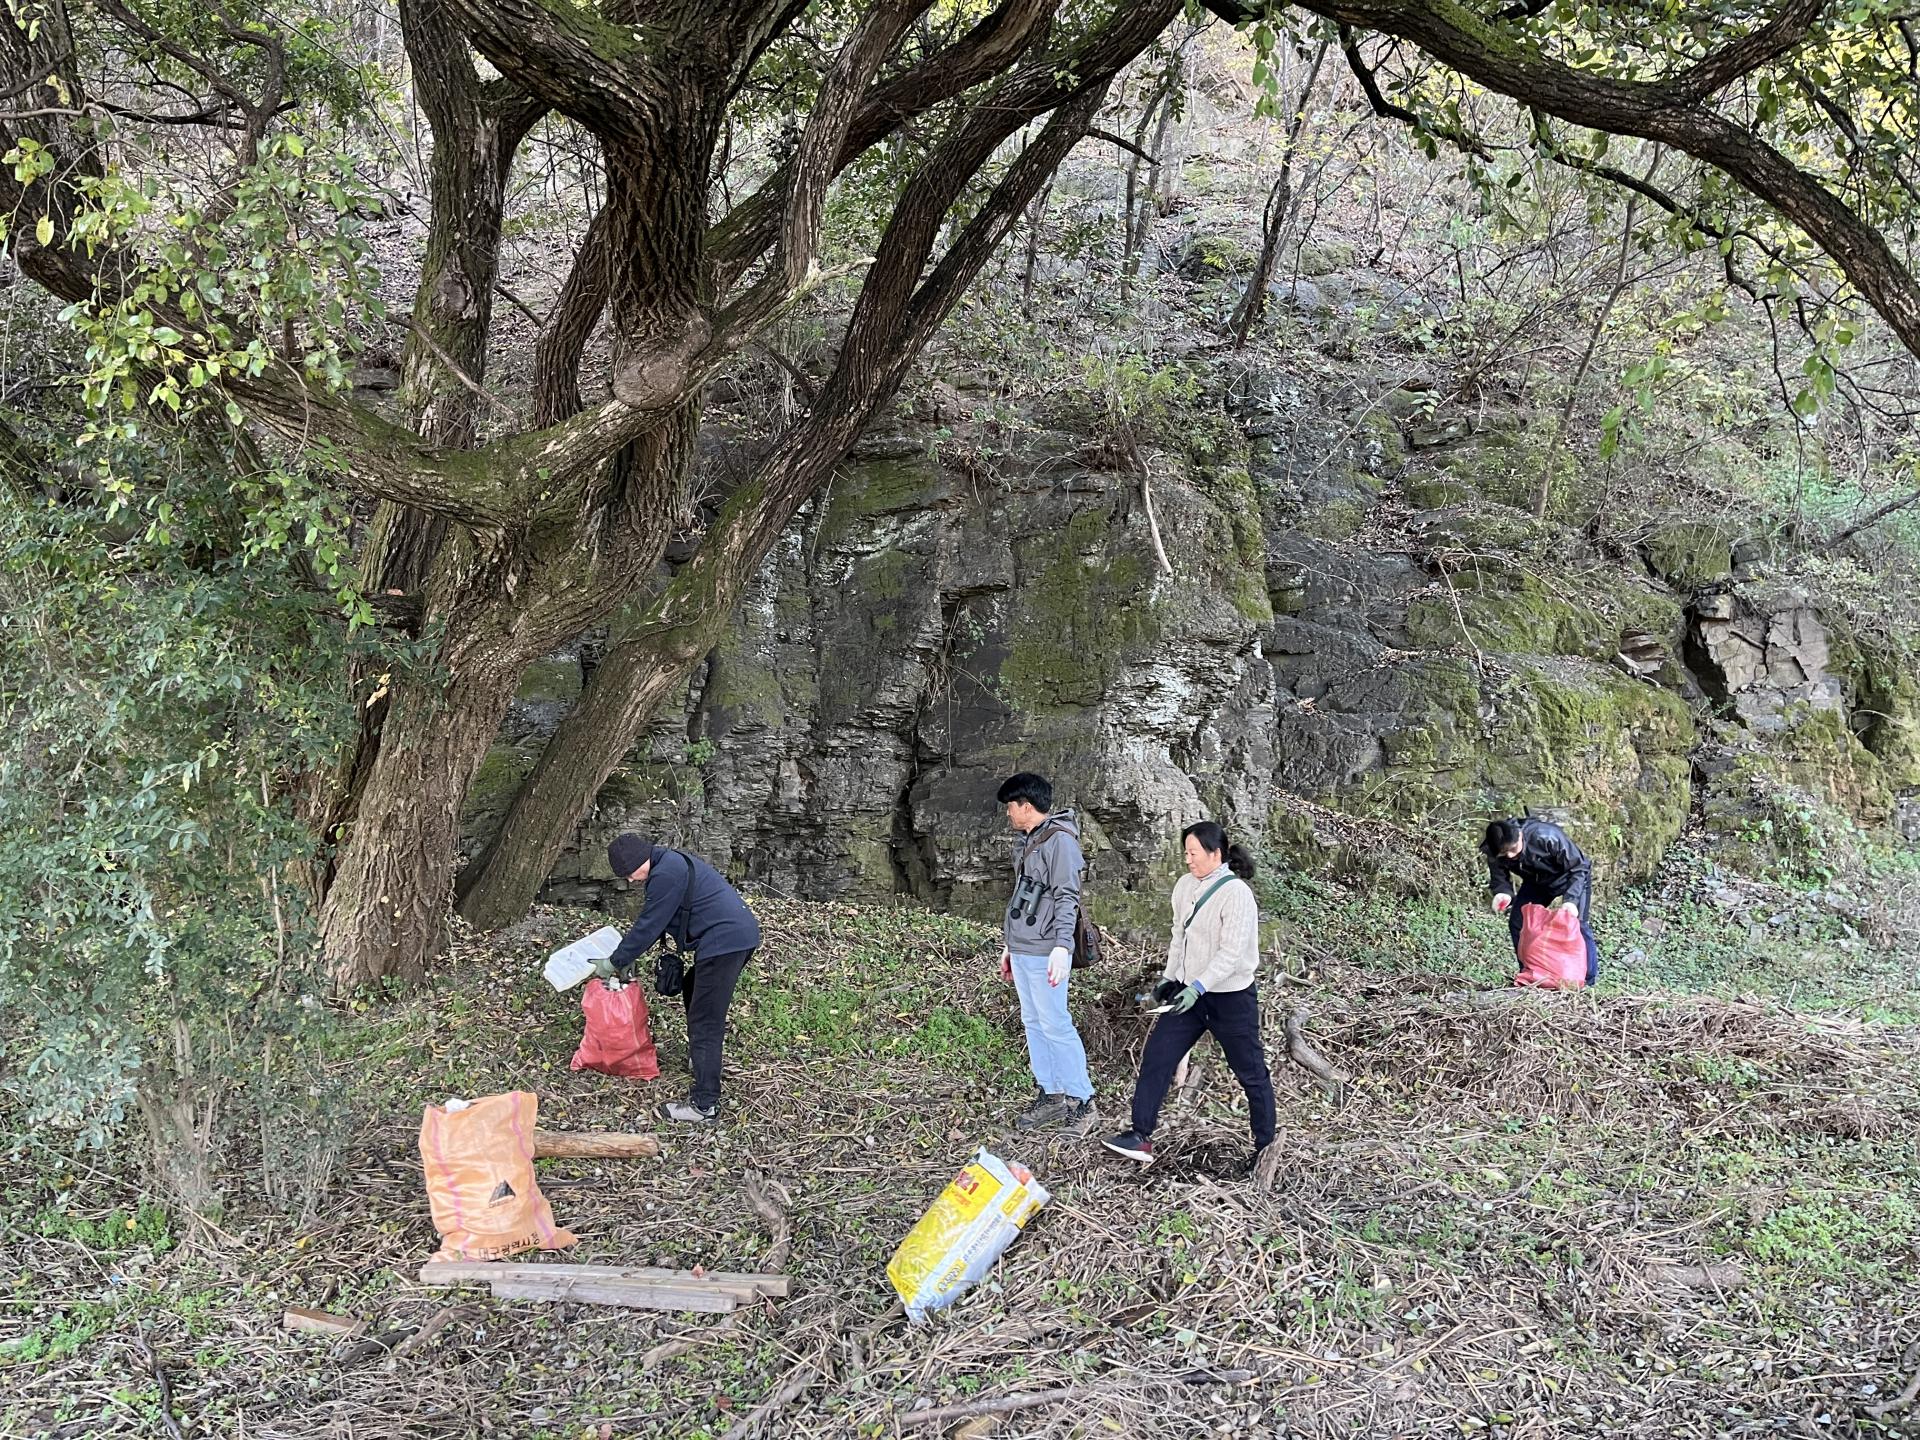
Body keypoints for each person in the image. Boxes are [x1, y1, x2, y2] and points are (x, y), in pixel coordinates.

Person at [1102, 822, 1274, 1170]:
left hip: (1230, 998)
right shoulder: (1184, 886)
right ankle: (1140, 1135)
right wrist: (1169, 979)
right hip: (1187, 995)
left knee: (1251, 1072)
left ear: (1216, 854)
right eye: (1186, 853)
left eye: (1194, 853)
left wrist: (1199, 986)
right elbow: (1178, 936)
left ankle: (1265, 1146)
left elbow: (1231, 954)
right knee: (1158, 1057)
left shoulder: (1236, 894)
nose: (1188, 860)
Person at [605, 833, 762, 1123]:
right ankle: (703, 1060)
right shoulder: (668, 862)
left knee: (705, 1021)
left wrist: (616, 960)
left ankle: (704, 1105)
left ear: (640, 860)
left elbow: (650, 924)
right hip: (734, 937)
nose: (629, 879)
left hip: (725, 942)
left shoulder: (665, 874)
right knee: (692, 987)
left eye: (629, 872)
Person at [996, 772, 1097, 1133]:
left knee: (1055, 1022)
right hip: (1024, 947)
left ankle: (1083, 1100)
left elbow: (1068, 897)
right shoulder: (1027, 840)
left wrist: (1061, 946)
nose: (1008, 813)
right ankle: (1052, 1094)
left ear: (1026, 806)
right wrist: (1010, 945)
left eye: (1011, 806)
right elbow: (1022, 896)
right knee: (1033, 1021)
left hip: (1047, 949)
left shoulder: (1061, 842)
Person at [1482, 816, 1599, 987]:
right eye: (1504, 853)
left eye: (1513, 849)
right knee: (1518, 922)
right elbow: (1499, 877)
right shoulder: (1494, 850)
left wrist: (1571, 900)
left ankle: (1588, 981)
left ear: (1520, 835)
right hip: (1537, 882)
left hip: (1571, 876)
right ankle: (1529, 973)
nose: (1510, 855)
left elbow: (1578, 867)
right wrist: (1503, 893)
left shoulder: (1546, 836)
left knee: (1578, 924)